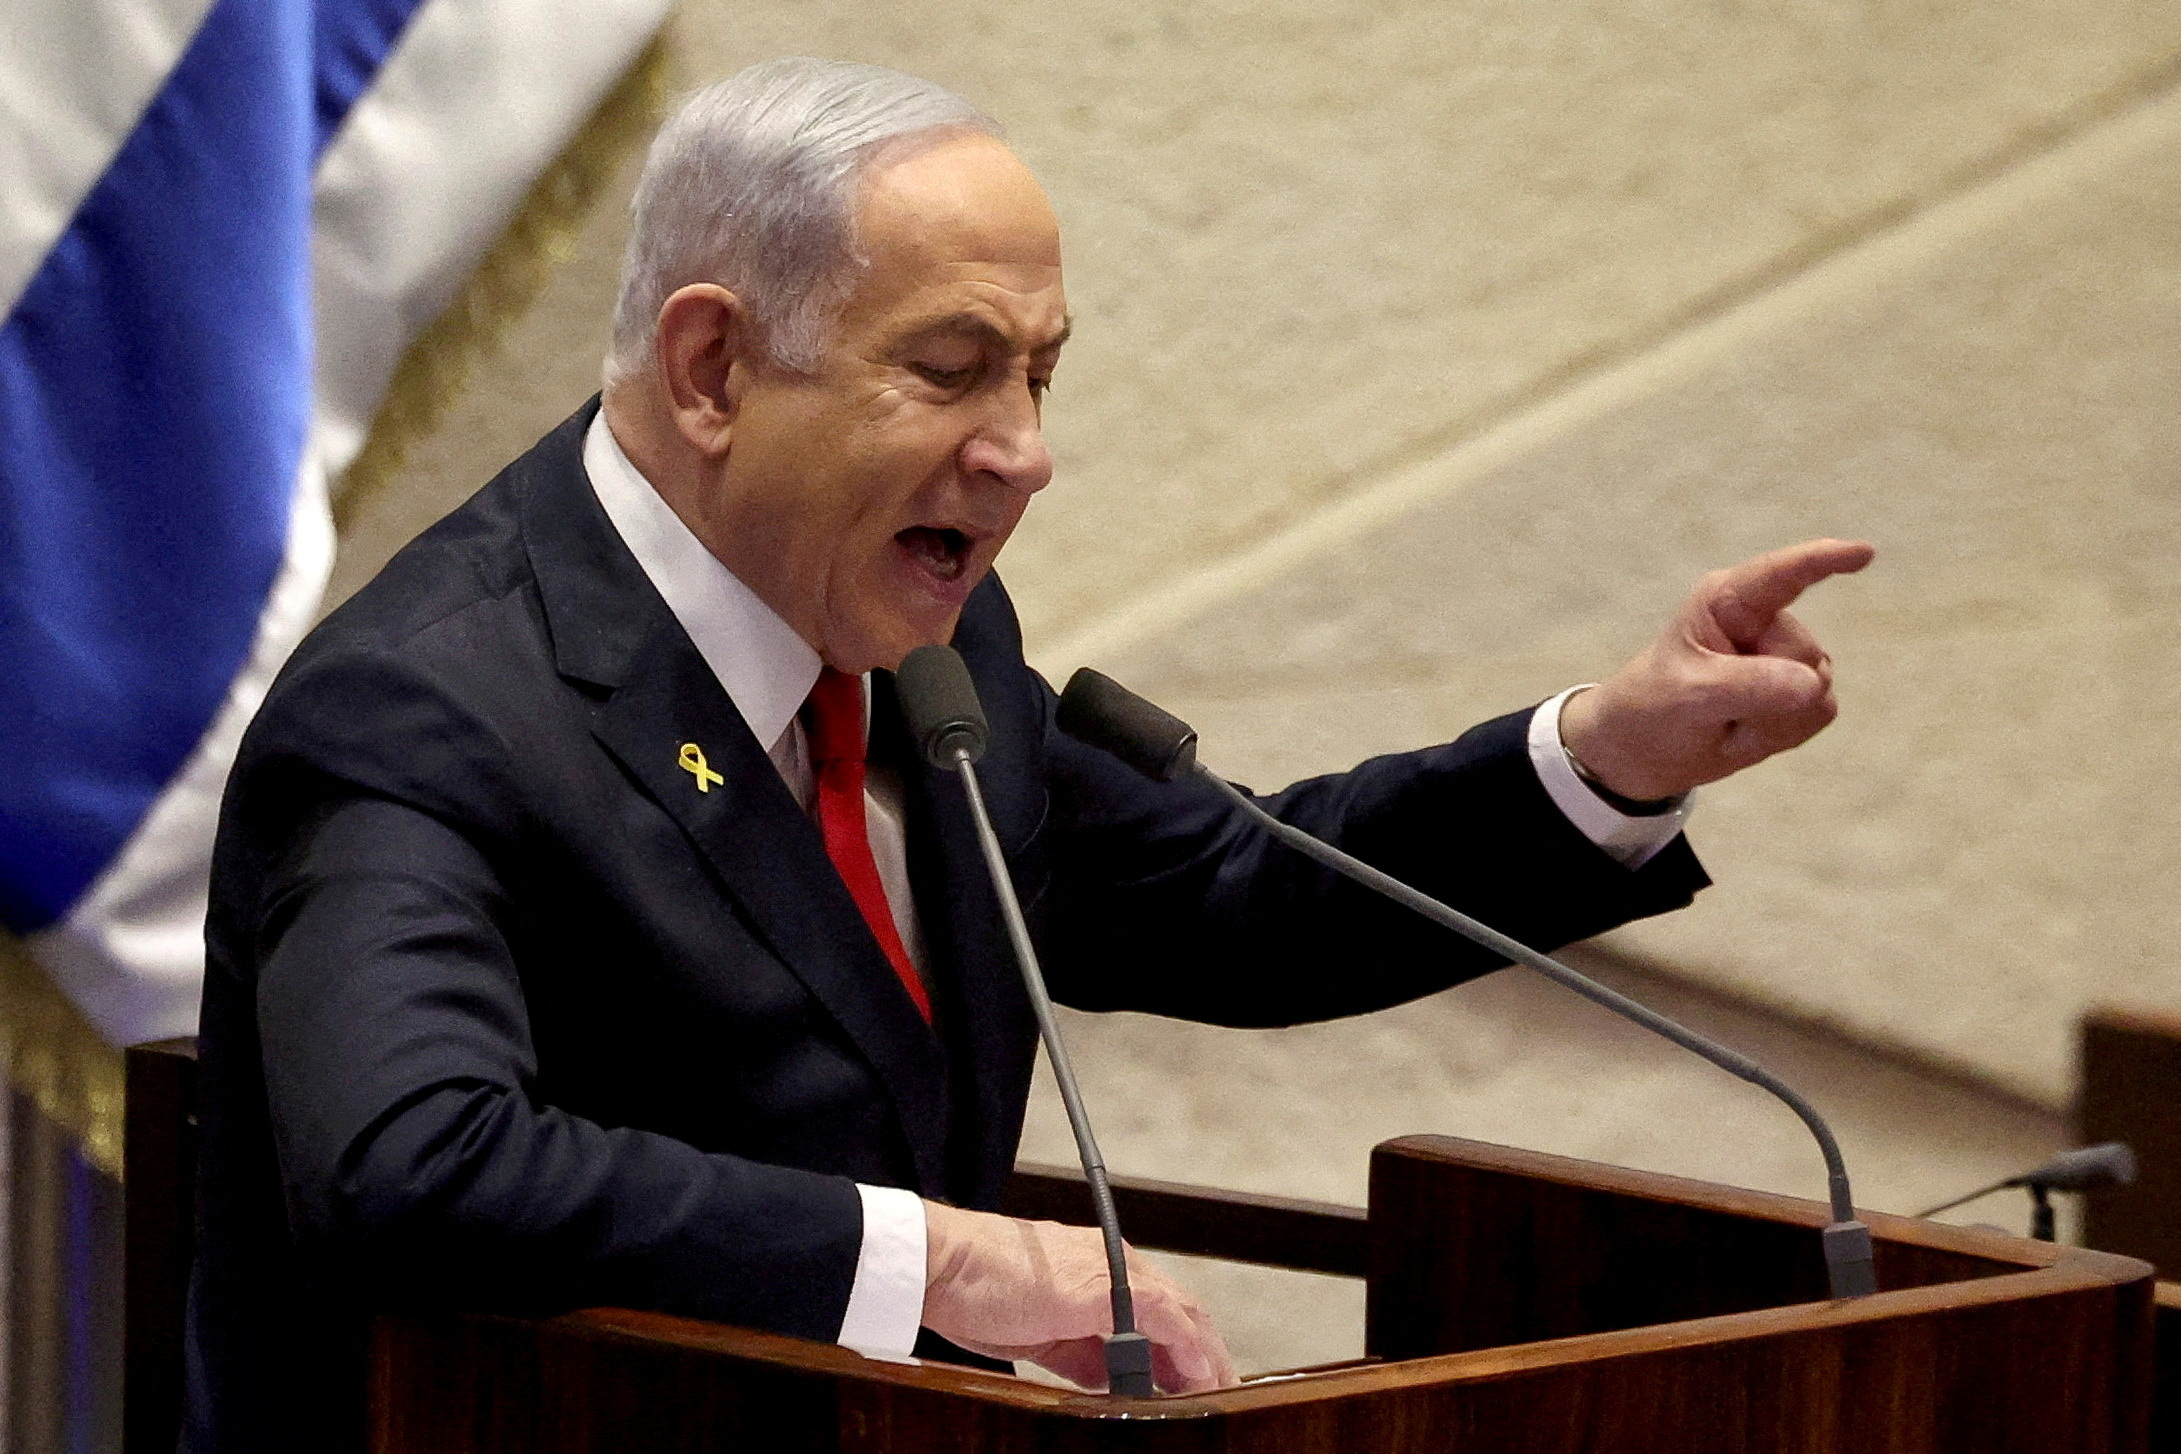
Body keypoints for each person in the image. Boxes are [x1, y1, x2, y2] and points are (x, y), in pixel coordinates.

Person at [185, 57, 1872, 1450]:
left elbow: (1223, 892)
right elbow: (409, 1164)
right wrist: (942, 1262)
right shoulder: (431, 706)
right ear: (710, 368)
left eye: (1043, 377)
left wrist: (1603, 759)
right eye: (953, 370)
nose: (1026, 455)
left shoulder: (927, 645)